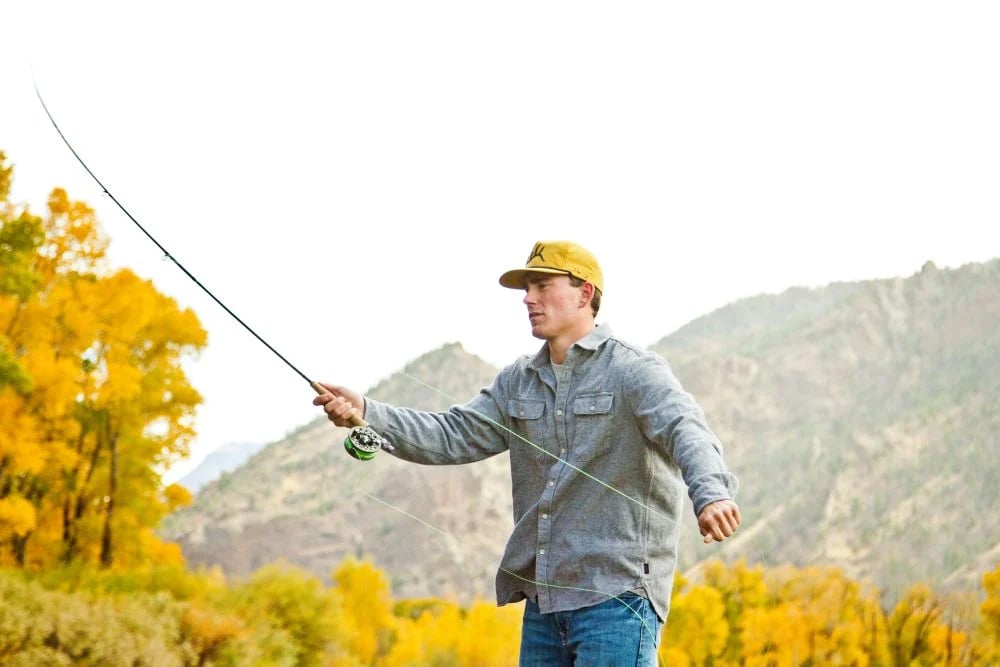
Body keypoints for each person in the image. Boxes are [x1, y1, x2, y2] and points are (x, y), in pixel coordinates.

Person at [314, 240, 741, 665]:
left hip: (619, 600)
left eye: (541, 286)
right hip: (544, 604)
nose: (527, 298)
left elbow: (687, 428)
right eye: (526, 289)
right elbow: (451, 434)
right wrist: (366, 413)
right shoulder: (517, 380)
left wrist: (711, 493)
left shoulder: (634, 371)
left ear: (584, 293)